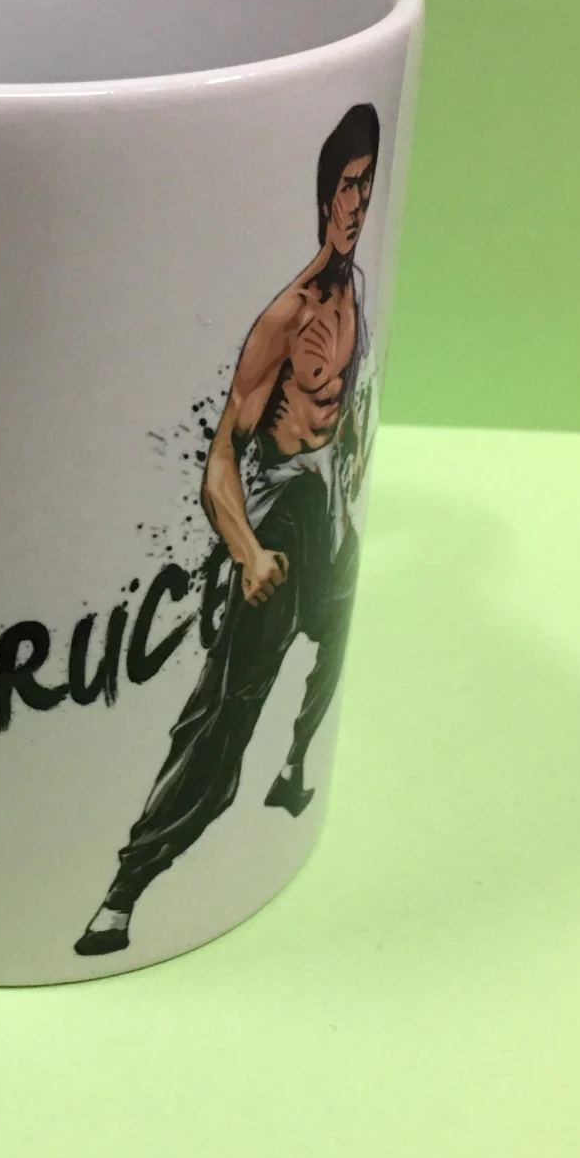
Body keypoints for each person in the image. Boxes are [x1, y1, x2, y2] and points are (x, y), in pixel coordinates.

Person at [75, 104, 381, 957]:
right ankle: (122, 894)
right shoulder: (288, 316)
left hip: (325, 508)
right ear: (323, 196)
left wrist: (352, 467)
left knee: (337, 628)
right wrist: (247, 553)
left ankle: (298, 769)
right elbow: (219, 464)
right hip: (277, 515)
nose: (358, 204)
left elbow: (345, 411)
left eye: (368, 186)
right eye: (347, 186)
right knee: (222, 716)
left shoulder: (357, 292)